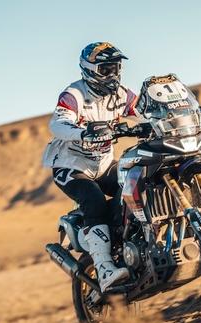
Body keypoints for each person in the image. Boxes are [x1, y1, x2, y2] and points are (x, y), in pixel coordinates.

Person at [42, 42, 141, 292]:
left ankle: (126, 241)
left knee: (135, 181)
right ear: (89, 70)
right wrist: (83, 133)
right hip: (70, 166)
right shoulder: (74, 94)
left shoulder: (121, 95)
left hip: (103, 164)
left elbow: (144, 110)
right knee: (94, 199)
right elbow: (57, 124)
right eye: (106, 69)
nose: (112, 75)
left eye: (115, 68)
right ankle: (105, 268)